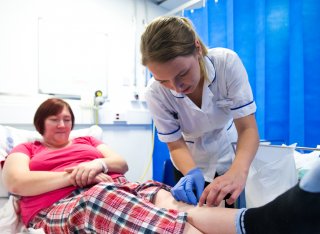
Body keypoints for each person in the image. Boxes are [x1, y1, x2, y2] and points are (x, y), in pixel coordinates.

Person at [1, 98, 320, 234]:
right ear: (40, 122)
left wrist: (98, 163)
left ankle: (254, 223)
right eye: (54, 118)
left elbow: (120, 163)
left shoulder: (86, 142)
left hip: (114, 185)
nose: (62, 123)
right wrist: (78, 175)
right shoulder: (28, 148)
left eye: (67, 118)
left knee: (164, 195)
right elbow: (17, 182)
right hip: (67, 204)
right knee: (102, 200)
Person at [140, 16, 259, 207]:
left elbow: (248, 129)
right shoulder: (154, 93)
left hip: (230, 155)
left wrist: (239, 170)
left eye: (182, 74)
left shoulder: (226, 64)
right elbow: (175, 144)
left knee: (232, 217)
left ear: (197, 48)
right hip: (190, 160)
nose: (176, 87)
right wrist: (191, 172)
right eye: (164, 81)